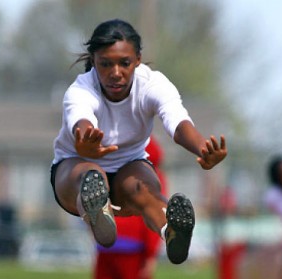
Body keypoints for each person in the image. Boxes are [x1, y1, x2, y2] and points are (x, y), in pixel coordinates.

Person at [50, 19, 227, 265]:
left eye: (124, 63)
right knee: (92, 175)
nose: (115, 73)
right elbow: (81, 120)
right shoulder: (80, 90)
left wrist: (202, 148)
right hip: (75, 167)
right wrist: (85, 143)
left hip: (128, 166)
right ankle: (97, 211)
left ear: (137, 60)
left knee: (146, 190)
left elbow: (177, 122)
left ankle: (171, 231)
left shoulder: (152, 84)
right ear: (94, 61)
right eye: (105, 64)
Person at [93, 136, 165, 279]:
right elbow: (155, 216)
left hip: (107, 245)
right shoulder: (153, 177)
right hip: (135, 250)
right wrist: (151, 254)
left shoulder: (109, 170)